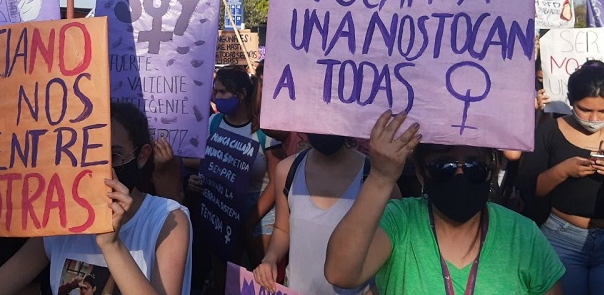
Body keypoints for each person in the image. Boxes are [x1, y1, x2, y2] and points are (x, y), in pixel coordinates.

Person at [0, 102, 192, 295]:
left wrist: (111, 244)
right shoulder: (61, 220)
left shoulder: (168, 220)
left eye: (112, 156)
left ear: (141, 156)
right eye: (86, 155)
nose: (97, 168)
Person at [324, 110, 564, 295]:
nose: (460, 175)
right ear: (420, 172)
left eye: (474, 166)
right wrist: (381, 178)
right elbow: (340, 272)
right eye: (443, 166)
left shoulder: (523, 236)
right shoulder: (400, 222)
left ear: (491, 170)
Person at [186, 66, 284, 293]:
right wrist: (196, 181)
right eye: (215, 91)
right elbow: (209, 162)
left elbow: (278, 181)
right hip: (221, 209)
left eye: (222, 92)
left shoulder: (263, 130)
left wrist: (251, 219)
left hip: (259, 213)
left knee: (262, 279)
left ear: (240, 95)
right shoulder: (214, 123)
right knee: (223, 277)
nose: (216, 97)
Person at [254, 133, 390, 295]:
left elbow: (391, 252)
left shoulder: (375, 179)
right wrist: (270, 259)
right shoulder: (288, 170)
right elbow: (282, 229)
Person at [521, 60, 604, 294]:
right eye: (585, 109)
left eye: (603, 111)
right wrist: (564, 170)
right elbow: (531, 188)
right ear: (571, 101)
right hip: (561, 239)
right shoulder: (549, 131)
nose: (593, 118)